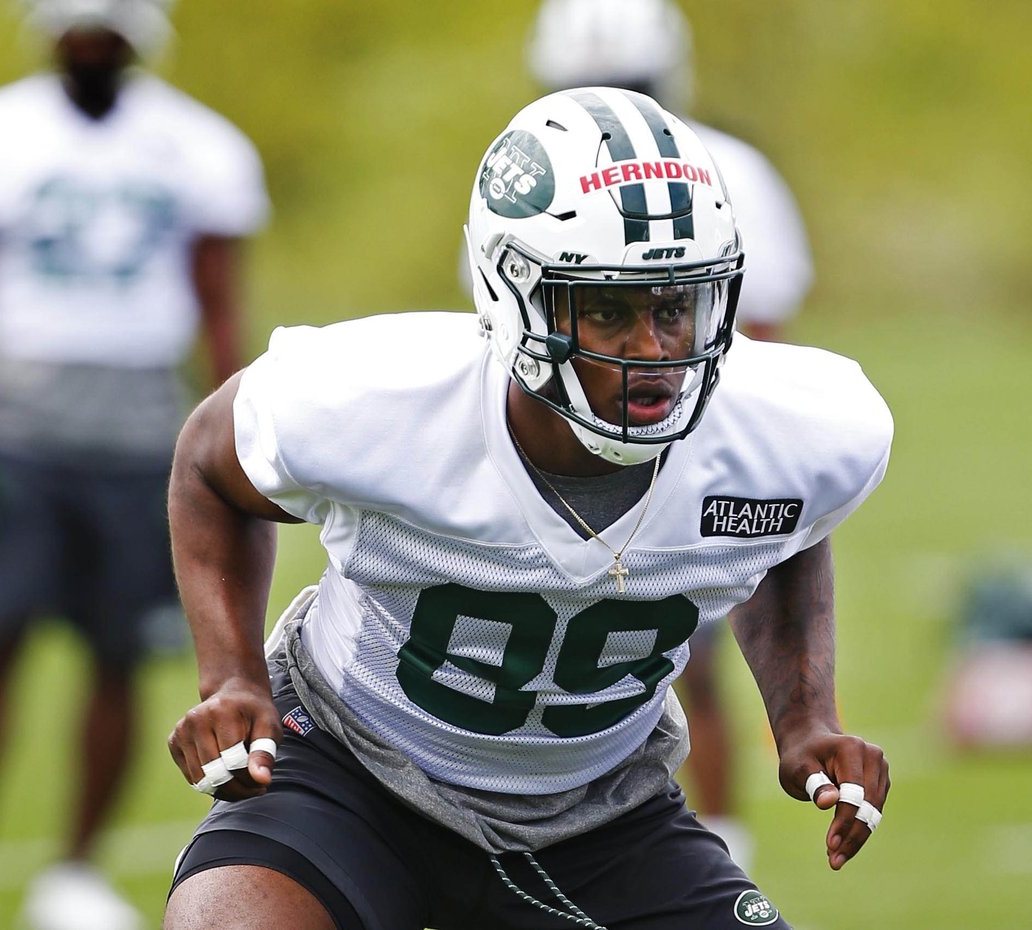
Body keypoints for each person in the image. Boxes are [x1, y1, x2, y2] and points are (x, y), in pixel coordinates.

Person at [162, 87, 891, 930]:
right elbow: (209, 466)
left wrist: (804, 719)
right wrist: (232, 676)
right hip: (349, 769)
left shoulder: (795, 426)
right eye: (610, 309)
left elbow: (787, 520)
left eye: (675, 305)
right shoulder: (375, 400)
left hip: (603, 811)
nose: (654, 350)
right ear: (515, 298)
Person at [0, 2, 270, 929]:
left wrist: (245, 444)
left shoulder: (198, 149)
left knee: (115, 655)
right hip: (25, 428)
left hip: (147, 436)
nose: (93, 53)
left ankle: (75, 870)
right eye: (79, 38)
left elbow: (220, 309)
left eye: (108, 39)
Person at [527, 0, 816, 866]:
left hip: (689, 435)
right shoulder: (535, 175)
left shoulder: (727, 172)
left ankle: (711, 846)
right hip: (567, 449)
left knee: (688, 656)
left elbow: (759, 330)